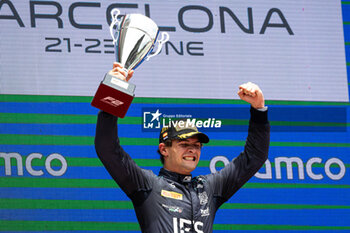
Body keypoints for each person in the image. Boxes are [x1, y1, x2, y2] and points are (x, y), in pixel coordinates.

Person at [95, 62, 270, 233]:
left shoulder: (209, 188)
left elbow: (253, 158)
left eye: (197, 146)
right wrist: (113, 91)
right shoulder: (148, 185)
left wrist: (259, 110)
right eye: (184, 144)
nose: (192, 150)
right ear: (164, 149)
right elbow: (107, 148)